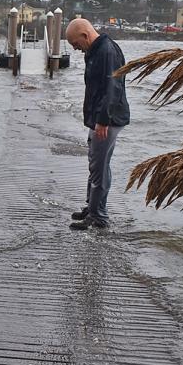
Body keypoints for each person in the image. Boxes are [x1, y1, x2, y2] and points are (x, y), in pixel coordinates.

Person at [65, 18, 130, 230]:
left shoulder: (107, 52)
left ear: (85, 35)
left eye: (75, 44)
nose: (75, 49)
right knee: (96, 164)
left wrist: (102, 121)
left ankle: (98, 217)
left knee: (99, 167)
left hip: (107, 120)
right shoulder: (95, 51)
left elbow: (113, 88)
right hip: (101, 119)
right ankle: (92, 208)